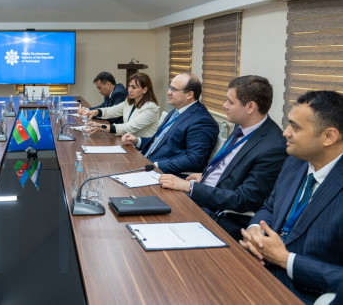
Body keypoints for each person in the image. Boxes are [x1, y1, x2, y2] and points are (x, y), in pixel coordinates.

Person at [240, 90, 343, 304]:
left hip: (301, 293)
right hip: (256, 269)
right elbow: (269, 207)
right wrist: (256, 229)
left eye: (295, 127)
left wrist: (286, 260)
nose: (285, 133)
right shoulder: (295, 161)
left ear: (329, 137)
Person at [158, 76, 287, 239]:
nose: (224, 105)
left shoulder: (273, 147)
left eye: (230, 102)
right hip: (204, 194)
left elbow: (242, 200)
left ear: (250, 107)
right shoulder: (241, 125)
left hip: (217, 213)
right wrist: (205, 175)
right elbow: (228, 167)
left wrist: (190, 187)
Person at [123, 73, 218, 175]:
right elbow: (161, 142)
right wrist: (137, 141)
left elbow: (194, 160)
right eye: (169, 88)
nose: (168, 92)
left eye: (174, 89)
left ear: (189, 95)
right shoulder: (177, 111)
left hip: (165, 174)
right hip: (146, 162)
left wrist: (156, 165)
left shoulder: (202, 121)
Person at [81, 73, 159, 138]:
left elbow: (129, 127)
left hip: (140, 148)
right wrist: (95, 112)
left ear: (144, 89)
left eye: (133, 87)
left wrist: (102, 127)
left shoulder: (151, 108)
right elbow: (111, 110)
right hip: (127, 142)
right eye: (129, 86)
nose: (129, 90)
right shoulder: (129, 102)